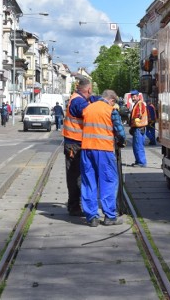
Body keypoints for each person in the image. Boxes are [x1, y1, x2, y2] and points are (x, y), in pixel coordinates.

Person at [80, 89, 126, 227]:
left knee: (89, 182)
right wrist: (120, 141)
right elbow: (120, 132)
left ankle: (92, 217)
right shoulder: (110, 110)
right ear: (111, 100)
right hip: (104, 149)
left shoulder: (87, 109)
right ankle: (109, 216)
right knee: (108, 181)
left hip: (87, 149)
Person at [62, 77, 94, 217]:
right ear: (88, 89)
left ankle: (74, 204)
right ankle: (75, 206)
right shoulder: (79, 101)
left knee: (76, 175)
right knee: (76, 176)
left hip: (74, 143)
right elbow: (90, 113)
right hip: (75, 144)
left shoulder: (77, 98)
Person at [129, 90, 148, 167]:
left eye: (134, 97)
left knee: (138, 146)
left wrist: (134, 121)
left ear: (138, 96)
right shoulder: (137, 104)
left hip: (139, 128)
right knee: (137, 145)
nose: (133, 98)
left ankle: (141, 162)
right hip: (139, 128)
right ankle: (138, 161)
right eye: (132, 97)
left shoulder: (139, 104)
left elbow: (138, 115)